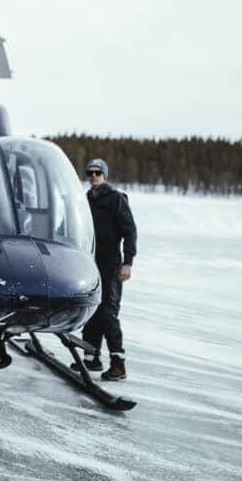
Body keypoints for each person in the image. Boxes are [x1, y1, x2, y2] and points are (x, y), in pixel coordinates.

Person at [76, 158, 137, 381]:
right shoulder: (86, 200)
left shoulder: (116, 199)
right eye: (89, 173)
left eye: (97, 173)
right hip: (90, 261)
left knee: (107, 312)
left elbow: (130, 231)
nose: (93, 176)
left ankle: (118, 364)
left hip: (111, 263)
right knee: (92, 309)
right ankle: (91, 358)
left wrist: (128, 262)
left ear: (104, 174)